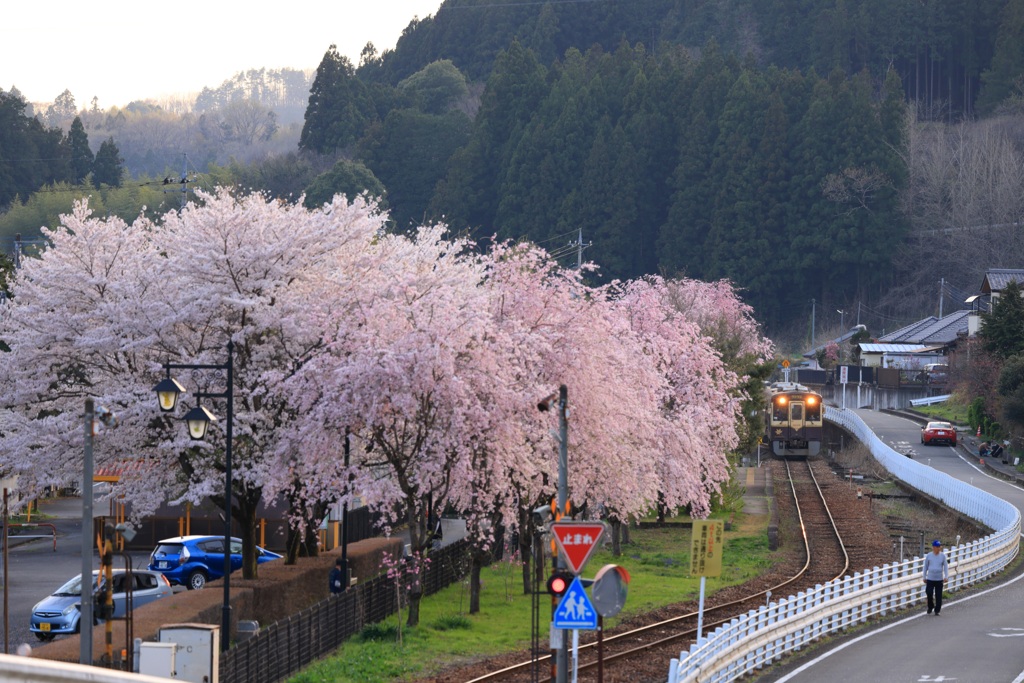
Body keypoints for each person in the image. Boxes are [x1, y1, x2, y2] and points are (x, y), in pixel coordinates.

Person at [923, 539, 948, 616]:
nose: (939, 548)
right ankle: (930, 606)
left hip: (939, 579)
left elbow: (946, 567)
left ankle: (937, 610)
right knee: (929, 593)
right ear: (933, 547)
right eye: (937, 546)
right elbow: (925, 567)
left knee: (938, 595)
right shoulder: (929, 556)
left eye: (939, 546)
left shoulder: (943, 556)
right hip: (930, 578)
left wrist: (946, 576)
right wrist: (924, 576)